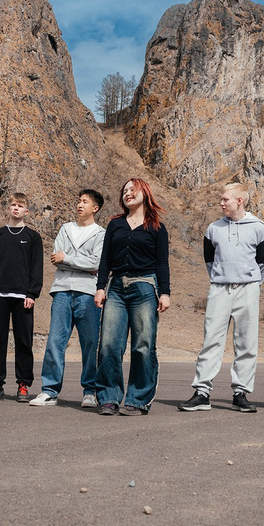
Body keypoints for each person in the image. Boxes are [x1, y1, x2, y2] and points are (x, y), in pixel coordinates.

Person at [179, 181, 264, 412]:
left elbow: (263, 263)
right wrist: (222, 278)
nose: (221, 203)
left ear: (239, 200)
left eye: (225, 199)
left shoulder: (259, 228)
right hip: (219, 289)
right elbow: (209, 261)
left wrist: (249, 282)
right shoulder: (213, 229)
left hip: (248, 289)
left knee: (246, 342)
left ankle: (241, 393)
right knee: (211, 340)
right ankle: (202, 393)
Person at [92, 176, 172, 414]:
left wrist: (165, 292)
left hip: (145, 287)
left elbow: (162, 263)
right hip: (116, 288)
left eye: (132, 189)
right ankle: (108, 398)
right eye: (124, 190)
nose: (127, 193)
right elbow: (105, 259)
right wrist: (100, 287)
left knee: (143, 346)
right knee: (108, 345)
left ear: (144, 193)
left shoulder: (157, 227)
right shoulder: (115, 224)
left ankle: (138, 400)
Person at [31, 187, 107, 408]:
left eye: (85, 202)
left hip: (88, 294)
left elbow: (96, 263)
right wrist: (78, 262)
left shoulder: (101, 234)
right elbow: (56, 258)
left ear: (95, 208)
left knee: (90, 344)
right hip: (62, 291)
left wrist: (68, 258)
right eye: (79, 201)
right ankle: (49, 391)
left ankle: (90, 392)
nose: (79, 205)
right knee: (55, 341)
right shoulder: (65, 229)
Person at [0, 189, 43, 402]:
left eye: (20, 206)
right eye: (13, 205)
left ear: (26, 212)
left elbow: (37, 267)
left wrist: (32, 293)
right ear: (8, 208)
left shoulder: (33, 237)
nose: (16, 208)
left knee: (24, 341)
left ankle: (23, 386)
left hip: (23, 297)